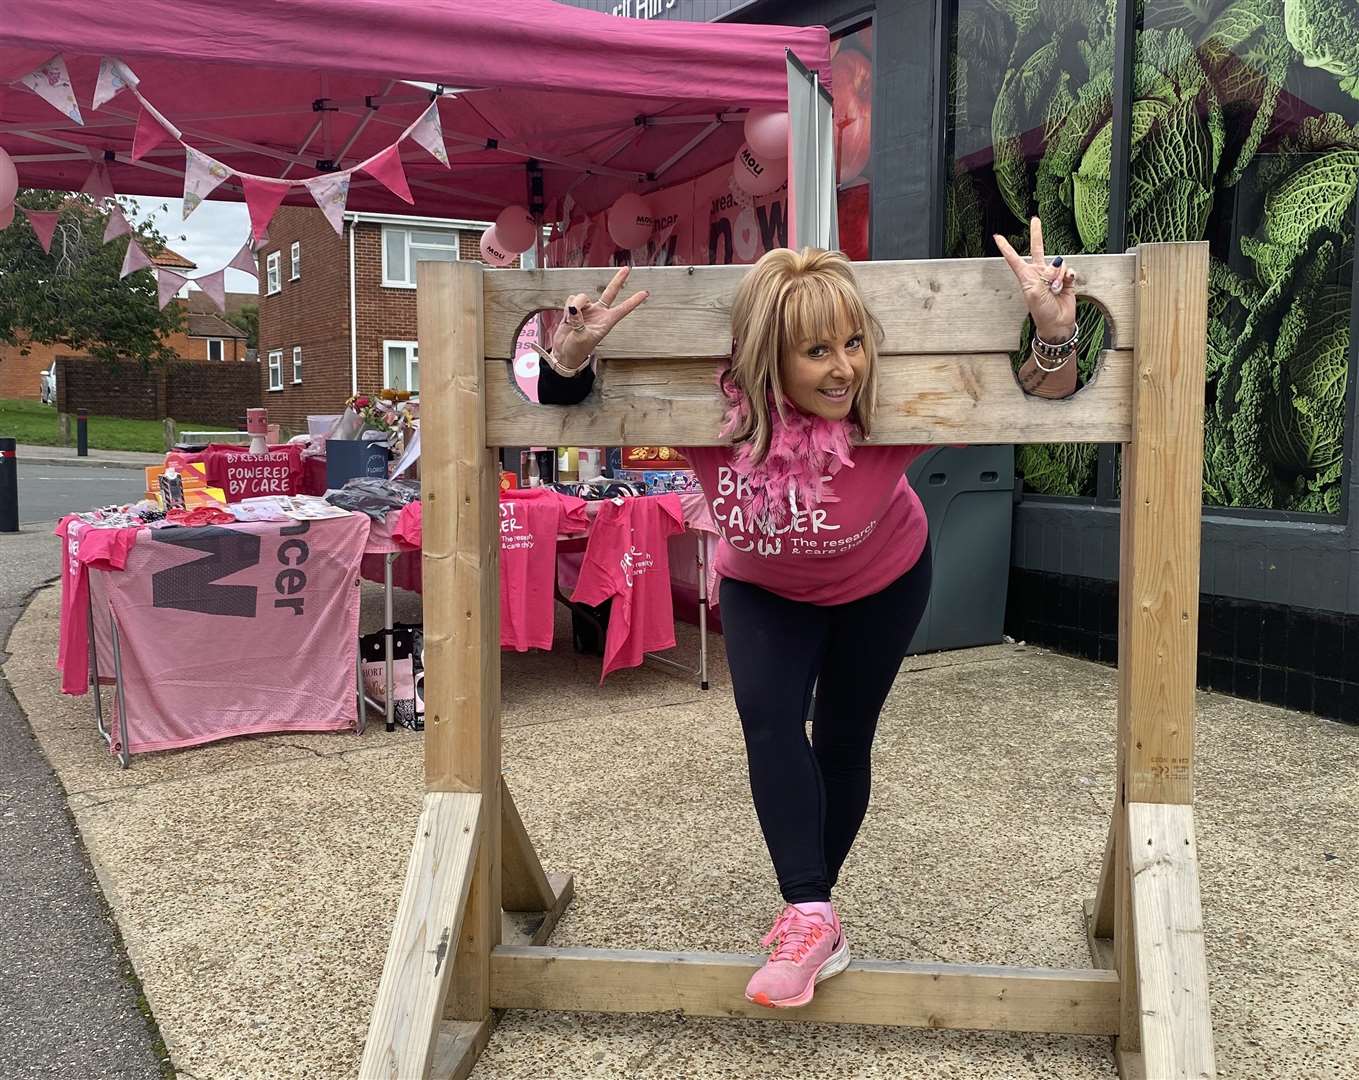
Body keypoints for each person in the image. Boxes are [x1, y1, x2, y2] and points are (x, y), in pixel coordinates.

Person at [531, 217, 1079, 1009]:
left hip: (884, 579)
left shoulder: (881, 416)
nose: (843, 368)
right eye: (817, 351)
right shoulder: (710, 425)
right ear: (765, 359)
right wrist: (574, 354)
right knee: (767, 718)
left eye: (852, 343)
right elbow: (554, 407)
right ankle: (813, 913)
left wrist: (1053, 335)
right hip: (763, 588)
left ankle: (807, 912)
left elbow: (1045, 402)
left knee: (844, 735)